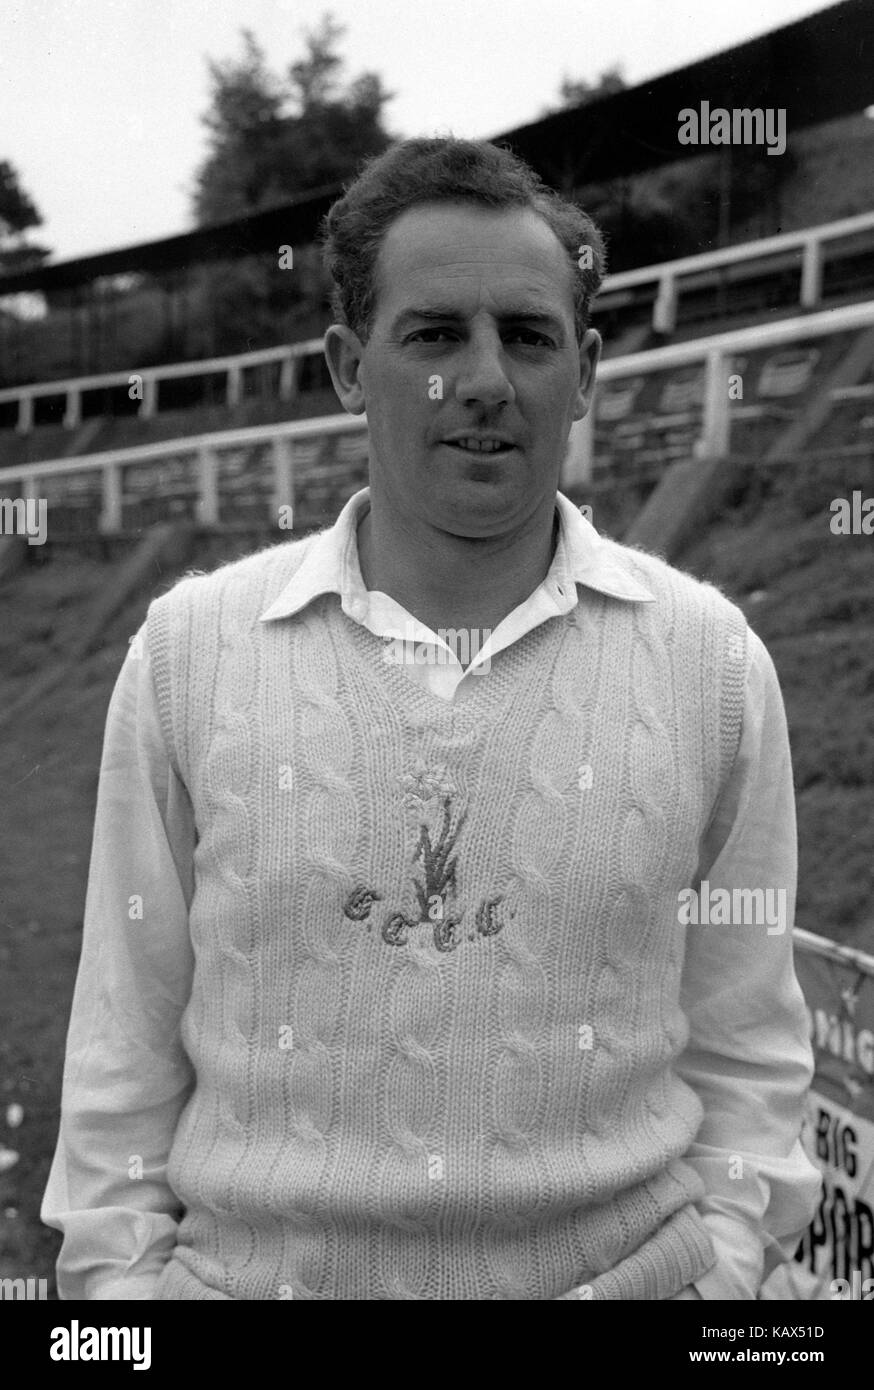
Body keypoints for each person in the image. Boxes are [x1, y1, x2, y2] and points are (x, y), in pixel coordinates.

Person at [42, 137, 821, 1300]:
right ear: (350, 366)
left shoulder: (709, 662)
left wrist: (718, 1279)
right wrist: (119, 1302)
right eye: (435, 334)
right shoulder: (190, 654)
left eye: (527, 333)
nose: (486, 379)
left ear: (588, 366)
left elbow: (746, 1048)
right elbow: (123, 1048)